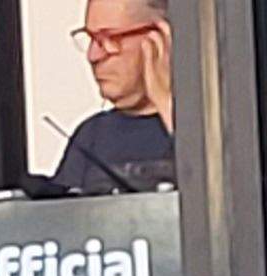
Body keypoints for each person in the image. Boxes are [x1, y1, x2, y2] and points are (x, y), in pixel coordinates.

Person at [49, 0, 176, 196]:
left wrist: (168, 105)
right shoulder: (92, 135)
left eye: (109, 38)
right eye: (91, 38)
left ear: (161, 37)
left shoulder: (210, 127)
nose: (93, 56)